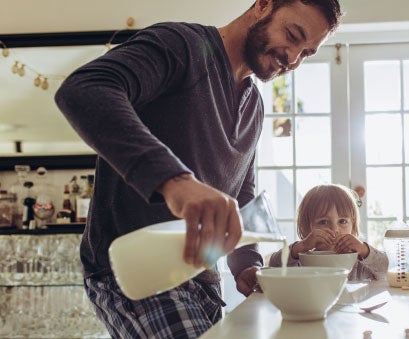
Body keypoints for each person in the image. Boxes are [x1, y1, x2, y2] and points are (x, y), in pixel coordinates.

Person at [54, 0, 343, 337]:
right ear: (263, 5)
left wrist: (245, 264)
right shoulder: (181, 46)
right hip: (137, 270)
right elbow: (85, 89)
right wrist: (175, 181)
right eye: (292, 36)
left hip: (203, 279)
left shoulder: (254, 107)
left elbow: (241, 192)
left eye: (306, 53)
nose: (293, 59)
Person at [268, 184, 388, 281]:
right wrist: (301, 246)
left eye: (342, 221)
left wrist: (364, 250)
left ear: (353, 226)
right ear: (306, 228)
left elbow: (387, 267)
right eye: (323, 222)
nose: (334, 229)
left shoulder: (359, 261)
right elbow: (274, 265)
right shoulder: (301, 259)